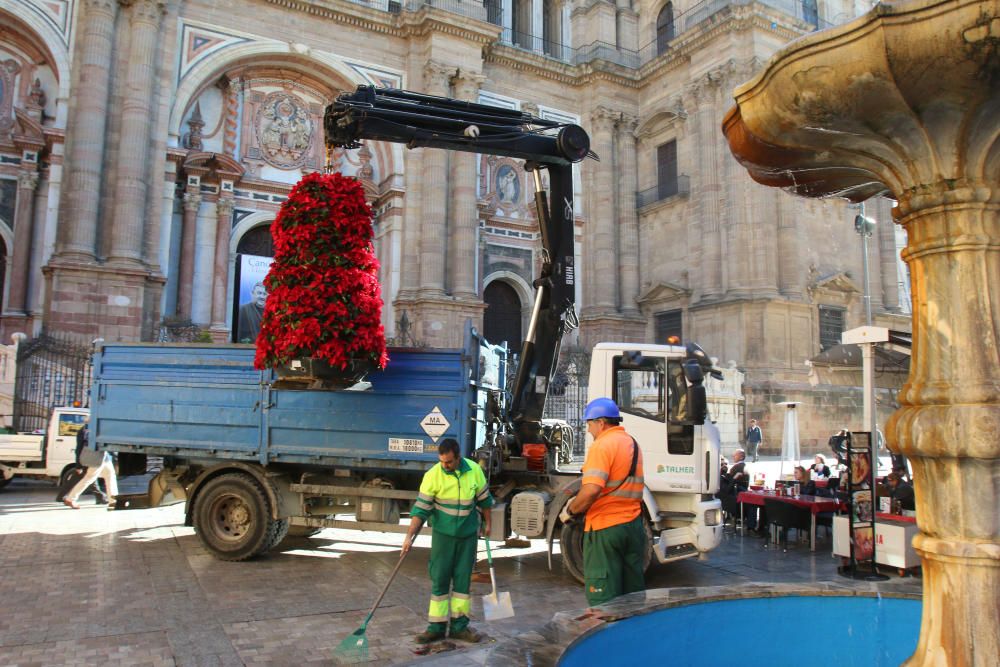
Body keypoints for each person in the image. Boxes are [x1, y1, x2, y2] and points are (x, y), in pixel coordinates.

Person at [403, 438, 493, 645]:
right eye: (442, 462)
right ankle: (436, 627)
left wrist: (488, 523)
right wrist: (409, 537)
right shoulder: (432, 475)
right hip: (443, 536)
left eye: (449, 462)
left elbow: (484, 500)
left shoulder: (474, 471)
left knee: (462, 583)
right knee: (440, 580)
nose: (445, 466)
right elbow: (421, 509)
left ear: (458, 457)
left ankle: (459, 628)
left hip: (468, 536)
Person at [562, 398, 647, 607]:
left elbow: (591, 490)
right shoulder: (632, 443)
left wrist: (570, 510)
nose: (589, 430)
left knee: (604, 601)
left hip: (606, 528)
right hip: (633, 526)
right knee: (632, 597)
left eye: (589, 424)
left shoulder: (602, 446)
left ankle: (609, 637)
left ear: (601, 422)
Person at [63, 421, 118, 510]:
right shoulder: (87, 430)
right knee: (90, 478)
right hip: (96, 456)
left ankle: (113, 500)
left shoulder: (89, 428)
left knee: (109, 475)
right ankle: (70, 498)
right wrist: (78, 465)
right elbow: (79, 448)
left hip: (103, 456)